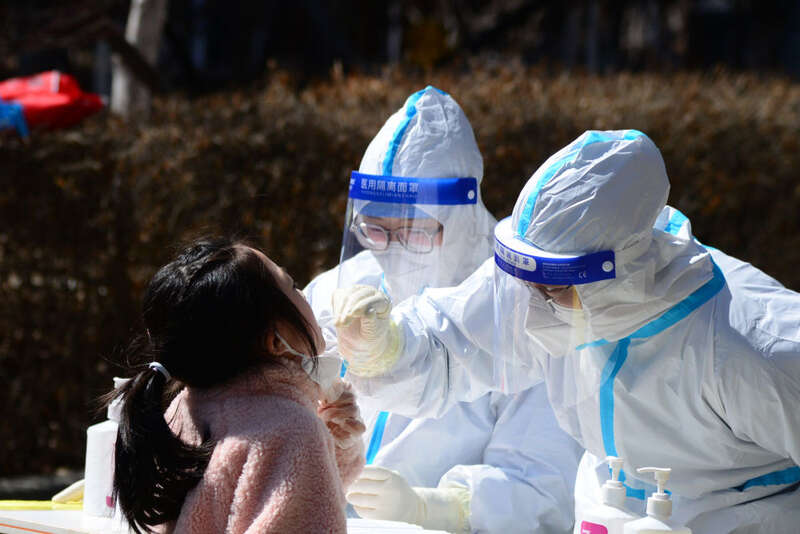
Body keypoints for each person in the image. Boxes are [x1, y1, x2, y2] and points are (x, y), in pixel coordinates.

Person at [333, 129, 800, 533]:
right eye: (526, 282)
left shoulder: (754, 343)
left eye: (554, 287)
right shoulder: (541, 279)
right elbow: (454, 340)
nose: (530, 309)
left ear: (622, 267)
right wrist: (389, 346)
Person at [305, 86, 582, 533]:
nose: (392, 250)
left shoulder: (519, 311)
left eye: (415, 231)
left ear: (460, 219)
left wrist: (437, 507)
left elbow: (543, 485)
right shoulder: (337, 290)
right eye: (375, 230)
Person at [108, 238, 365, 534]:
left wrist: (334, 444)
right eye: (293, 286)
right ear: (276, 340)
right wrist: (315, 438)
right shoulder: (291, 429)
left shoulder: (185, 407)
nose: (304, 295)